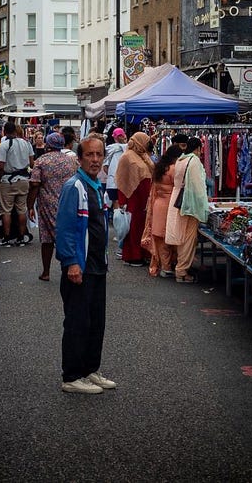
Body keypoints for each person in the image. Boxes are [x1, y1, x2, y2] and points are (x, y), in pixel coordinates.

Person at [55, 135, 116, 395]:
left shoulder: (95, 185)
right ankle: (72, 376)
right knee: (77, 323)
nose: (95, 159)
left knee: (95, 323)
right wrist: (71, 263)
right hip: (80, 267)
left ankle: (90, 370)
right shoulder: (74, 186)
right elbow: (65, 228)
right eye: (89, 154)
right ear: (79, 158)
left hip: (97, 266)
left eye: (99, 154)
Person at [29, 131, 80, 282]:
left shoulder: (41, 161)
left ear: (48, 144)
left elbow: (35, 184)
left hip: (47, 203)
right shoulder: (71, 160)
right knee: (67, 235)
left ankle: (46, 272)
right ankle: (70, 266)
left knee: (47, 238)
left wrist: (30, 205)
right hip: (68, 203)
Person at [165, 140, 211, 283]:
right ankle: (182, 271)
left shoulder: (181, 160)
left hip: (178, 199)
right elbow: (197, 186)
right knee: (189, 239)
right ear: (198, 148)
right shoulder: (194, 161)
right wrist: (204, 206)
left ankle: (181, 267)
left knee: (182, 236)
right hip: (189, 203)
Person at [114, 132, 154, 265]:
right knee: (133, 228)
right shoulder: (127, 157)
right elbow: (122, 179)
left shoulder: (142, 156)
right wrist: (122, 201)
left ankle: (142, 254)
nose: (147, 144)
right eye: (145, 141)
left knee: (142, 227)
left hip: (143, 199)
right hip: (133, 199)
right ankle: (133, 256)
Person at [142, 143, 182, 278]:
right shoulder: (173, 169)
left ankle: (164, 265)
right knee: (168, 236)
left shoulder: (159, 168)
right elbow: (179, 186)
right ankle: (167, 267)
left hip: (158, 203)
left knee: (159, 237)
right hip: (169, 205)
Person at [0, 123, 34, 246]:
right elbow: (31, 162)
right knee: (22, 209)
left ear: (4, 131)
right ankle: (21, 237)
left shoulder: (4, 145)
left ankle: (7, 238)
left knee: (6, 210)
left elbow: (1, 166)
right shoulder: (26, 143)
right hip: (24, 180)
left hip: (8, 180)